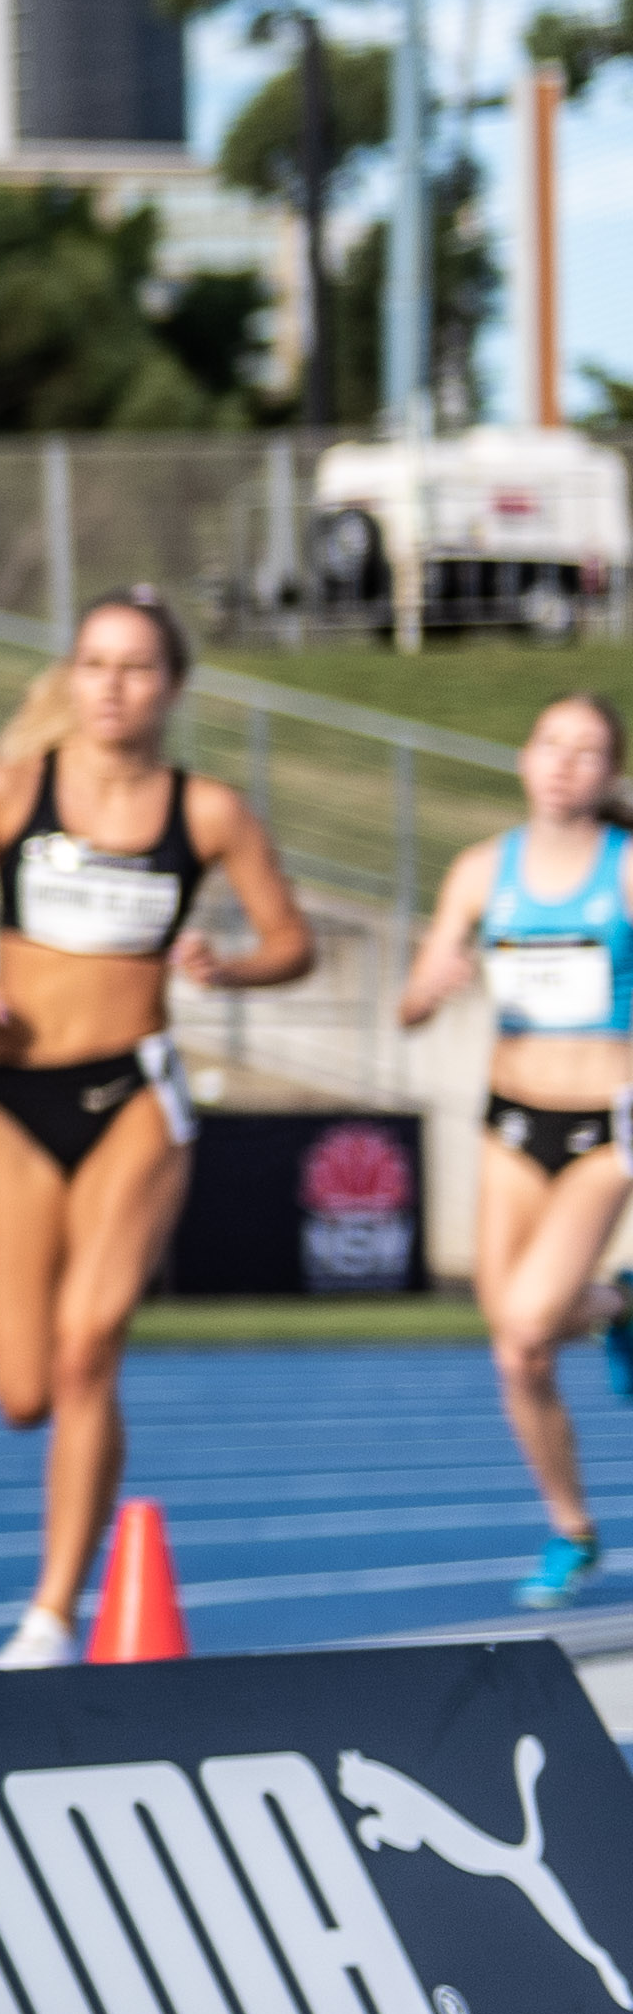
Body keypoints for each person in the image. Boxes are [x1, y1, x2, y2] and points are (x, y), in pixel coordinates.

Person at [0, 587, 315, 1669]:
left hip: (134, 1096)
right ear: (68, 678)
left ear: (171, 686)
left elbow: (292, 941)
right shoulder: (8, 791)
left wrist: (231, 964)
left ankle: (49, 1615)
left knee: (87, 1352)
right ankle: (62, 1571)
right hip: (14, 1098)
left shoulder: (205, 812)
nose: (110, 686)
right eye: (92, 664)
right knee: (23, 1390)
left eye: (133, 667)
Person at [395, 690, 631, 1610]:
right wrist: (436, 983)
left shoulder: (623, 869)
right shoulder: (480, 871)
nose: (566, 762)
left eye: (588, 750)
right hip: (512, 1124)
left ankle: (609, 1300)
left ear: (610, 774)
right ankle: (573, 1528)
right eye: (551, 743)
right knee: (517, 1352)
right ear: (526, 759)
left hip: (603, 1130)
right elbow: (409, 1006)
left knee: (531, 1320)